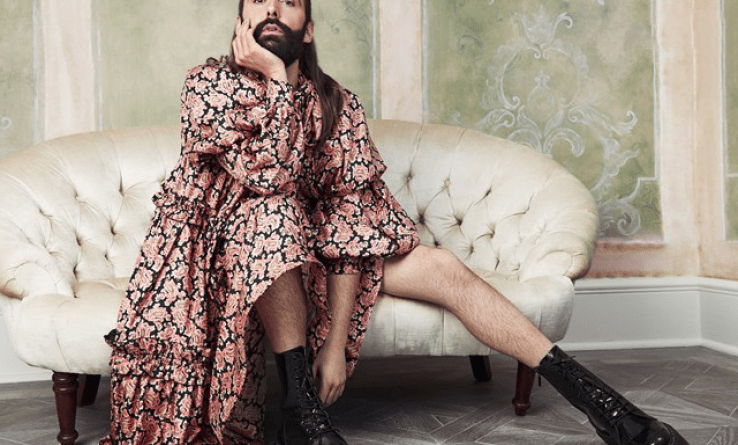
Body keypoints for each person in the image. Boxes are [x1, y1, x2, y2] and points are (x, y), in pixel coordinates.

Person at [101, 1, 690, 444]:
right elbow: (269, 179)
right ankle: (303, 415)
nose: (273, 8)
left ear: (309, 28)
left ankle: (608, 409)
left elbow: (352, 222)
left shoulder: (336, 103)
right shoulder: (208, 84)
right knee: (272, 214)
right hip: (224, 249)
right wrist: (278, 83)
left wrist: (335, 346)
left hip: (315, 248)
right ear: (240, 21)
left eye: (289, 1)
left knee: (441, 265)